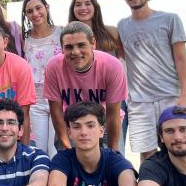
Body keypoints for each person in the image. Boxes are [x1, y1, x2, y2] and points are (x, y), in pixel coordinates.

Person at [117, 0, 186, 161]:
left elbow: (182, 58)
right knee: (147, 156)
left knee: (177, 150)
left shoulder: (169, 19)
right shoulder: (122, 26)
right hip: (139, 103)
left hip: (169, 97)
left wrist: (185, 96)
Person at [44, 22, 126, 151]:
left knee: (114, 165)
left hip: (104, 123)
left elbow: (112, 113)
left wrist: (113, 153)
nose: (75, 52)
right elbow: (56, 112)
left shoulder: (112, 66)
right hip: (72, 124)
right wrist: (67, 149)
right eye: (69, 47)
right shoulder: (54, 67)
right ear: (62, 48)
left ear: (93, 43)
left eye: (81, 45)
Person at [68, 0, 127, 152]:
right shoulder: (68, 36)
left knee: (114, 150)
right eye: (78, 5)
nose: (83, 8)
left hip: (109, 100)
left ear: (95, 7)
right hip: (80, 102)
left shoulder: (111, 32)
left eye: (88, 3)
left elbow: (123, 62)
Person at [21, 0, 61, 156]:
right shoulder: (24, 38)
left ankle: (57, 182)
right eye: (30, 11)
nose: (35, 13)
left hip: (57, 96)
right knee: (39, 150)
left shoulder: (61, 32)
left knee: (55, 149)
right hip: (35, 99)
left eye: (38, 8)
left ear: (47, 8)